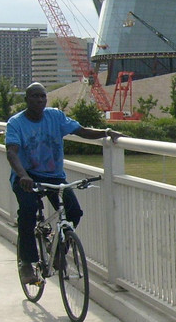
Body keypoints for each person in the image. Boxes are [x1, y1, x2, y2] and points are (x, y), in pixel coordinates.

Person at [6, 82, 120, 284]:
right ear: (26, 99)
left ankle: (59, 252)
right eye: (35, 96)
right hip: (27, 176)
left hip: (54, 176)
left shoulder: (55, 117)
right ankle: (27, 263)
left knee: (74, 211)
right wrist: (23, 175)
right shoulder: (16, 123)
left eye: (43, 96)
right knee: (28, 211)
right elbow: (12, 152)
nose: (40, 100)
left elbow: (81, 131)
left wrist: (106, 132)